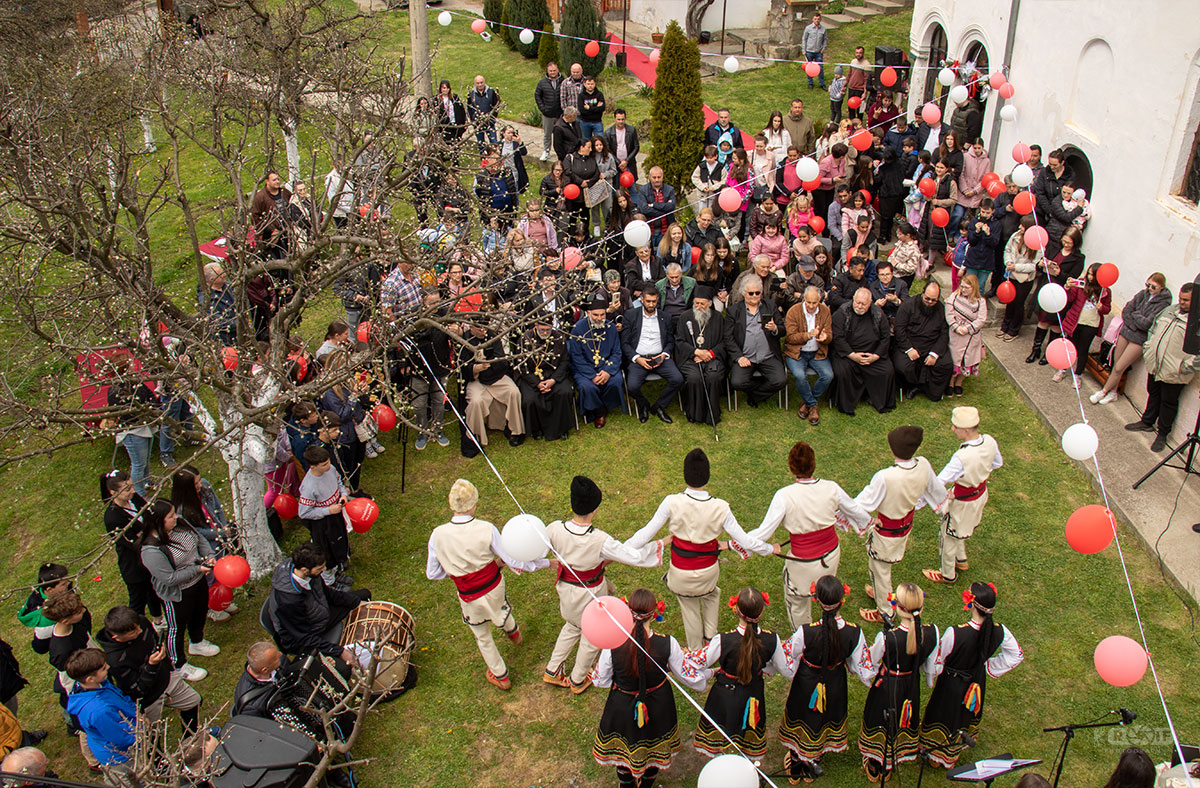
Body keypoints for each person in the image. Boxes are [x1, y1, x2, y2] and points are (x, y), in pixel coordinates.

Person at [624, 449, 776, 649]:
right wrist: (769, 549)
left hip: (680, 574)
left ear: (685, 475)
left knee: (690, 606)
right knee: (711, 592)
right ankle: (710, 640)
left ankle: (696, 650)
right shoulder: (721, 507)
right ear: (708, 475)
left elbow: (645, 533)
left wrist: (620, 550)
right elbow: (746, 540)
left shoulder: (671, 502)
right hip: (708, 573)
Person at [426, 480, 548, 690]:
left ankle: (500, 675)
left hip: (469, 595)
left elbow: (433, 573)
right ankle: (512, 630)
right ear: (474, 504)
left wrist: (458, 571)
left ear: (451, 505)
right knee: (500, 607)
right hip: (493, 587)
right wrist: (545, 563)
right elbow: (512, 559)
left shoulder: (437, 535)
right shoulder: (487, 529)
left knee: (482, 636)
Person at [543, 477, 661, 693]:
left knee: (572, 625)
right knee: (591, 634)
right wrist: (658, 546)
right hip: (590, 593)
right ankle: (578, 679)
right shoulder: (600, 539)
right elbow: (631, 556)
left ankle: (552, 670)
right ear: (595, 508)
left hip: (566, 590)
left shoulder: (554, 529)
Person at [592, 588, 709, 787]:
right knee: (654, 748)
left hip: (622, 704)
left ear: (628, 611)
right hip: (658, 704)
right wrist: (707, 676)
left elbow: (599, 680)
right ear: (654, 614)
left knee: (625, 747)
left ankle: (626, 785)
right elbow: (687, 676)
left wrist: (622, 680)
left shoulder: (614, 642)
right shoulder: (668, 643)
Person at [747, 442, 868, 628]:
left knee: (797, 603)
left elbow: (763, 532)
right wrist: (870, 521)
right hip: (830, 555)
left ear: (791, 467)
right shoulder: (831, 487)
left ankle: (803, 638)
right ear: (814, 464)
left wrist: (737, 542)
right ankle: (829, 626)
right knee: (826, 594)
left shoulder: (784, 495)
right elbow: (854, 509)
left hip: (803, 563)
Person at [918, 581, 1023, 768]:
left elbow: (938, 660)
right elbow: (1016, 655)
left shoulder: (955, 633)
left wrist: (930, 674)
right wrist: (988, 666)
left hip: (951, 683)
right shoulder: (999, 630)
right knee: (965, 713)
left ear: (972, 604)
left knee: (944, 713)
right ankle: (953, 753)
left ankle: (936, 754)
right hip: (976, 680)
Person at [779, 576, 873, 782]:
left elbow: (786, 655)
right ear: (842, 600)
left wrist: (793, 668)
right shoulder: (853, 632)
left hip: (806, 682)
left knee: (802, 715)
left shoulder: (806, 631)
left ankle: (796, 763)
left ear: (817, 600)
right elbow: (862, 666)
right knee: (824, 717)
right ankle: (815, 758)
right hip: (834, 682)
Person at [855, 426, 947, 624]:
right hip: (904, 525)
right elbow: (936, 490)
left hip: (886, 533)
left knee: (881, 570)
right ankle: (882, 593)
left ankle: (885, 611)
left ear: (893, 449)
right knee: (879, 568)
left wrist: (838, 512)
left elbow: (862, 504)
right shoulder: (923, 464)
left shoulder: (886, 476)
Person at [694, 587, 790, 760]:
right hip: (753, 694)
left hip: (725, 694)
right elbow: (784, 667)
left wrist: (709, 672)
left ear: (737, 610)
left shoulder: (723, 640)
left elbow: (699, 662)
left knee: (724, 727)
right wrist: (768, 669)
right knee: (747, 729)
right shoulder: (772, 640)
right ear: (761, 612)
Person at [858, 582, 939, 782]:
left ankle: (877, 763)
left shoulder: (888, 637)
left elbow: (870, 660)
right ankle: (892, 760)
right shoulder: (932, 633)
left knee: (880, 720)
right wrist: (928, 679)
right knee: (903, 720)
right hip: (911, 685)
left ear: (897, 607)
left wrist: (868, 677)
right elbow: (931, 668)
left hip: (888, 684)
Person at [918, 406, 1003, 586]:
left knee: (948, 536)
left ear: (966, 430)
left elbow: (938, 482)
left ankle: (947, 574)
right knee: (961, 529)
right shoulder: (989, 441)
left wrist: (918, 503)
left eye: (955, 426)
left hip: (963, 502)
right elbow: (997, 463)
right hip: (980, 494)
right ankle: (961, 559)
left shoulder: (962, 457)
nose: (953, 429)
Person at [138, 500, 218, 680]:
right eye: (171, 516)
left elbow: (199, 538)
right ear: (159, 521)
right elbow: (170, 578)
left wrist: (209, 555)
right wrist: (197, 569)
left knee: (199, 612)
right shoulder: (151, 550)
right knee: (177, 628)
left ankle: (197, 642)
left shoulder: (179, 523)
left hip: (198, 581)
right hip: (178, 593)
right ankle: (178, 664)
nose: (176, 517)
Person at [98, 605, 201, 729]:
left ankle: (191, 737)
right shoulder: (115, 660)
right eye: (134, 632)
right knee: (152, 733)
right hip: (148, 700)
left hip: (166, 678)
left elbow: (155, 640)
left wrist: (168, 666)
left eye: (138, 627)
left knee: (193, 702)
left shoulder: (140, 622)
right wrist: (152, 666)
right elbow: (137, 691)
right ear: (117, 637)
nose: (140, 631)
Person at [263, 543, 370, 662]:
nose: (324, 570)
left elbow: (328, 593)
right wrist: (339, 651)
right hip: (303, 636)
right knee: (342, 665)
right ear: (305, 570)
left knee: (364, 595)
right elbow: (303, 637)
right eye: (320, 568)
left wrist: (357, 602)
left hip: (318, 614)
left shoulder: (308, 572)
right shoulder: (289, 602)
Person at [1124, 283, 1197, 452]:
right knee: (1154, 392)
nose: (1182, 302)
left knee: (1168, 402)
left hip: (1175, 371)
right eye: (1181, 298)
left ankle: (1162, 434)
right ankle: (1147, 421)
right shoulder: (1170, 310)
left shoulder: (1196, 323)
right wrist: (1149, 348)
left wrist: (1185, 367)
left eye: (1186, 300)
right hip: (1156, 364)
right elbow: (1153, 329)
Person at [1092, 273, 1173, 405]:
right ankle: (1113, 393)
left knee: (1120, 367)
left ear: (1161, 288)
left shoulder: (1163, 304)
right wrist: (1136, 319)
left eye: (1153, 287)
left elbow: (1147, 324)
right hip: (1126, 332)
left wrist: (1135, 315)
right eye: (1148, 285)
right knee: (1116, 364)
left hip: (1138, 339)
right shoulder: (1143, 293)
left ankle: (1104, 391)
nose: (1149, 288)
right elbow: (1126, 310)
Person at [101, 472, 161, 623]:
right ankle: (131, 627)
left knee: (154, 591)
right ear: (113, 493)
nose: (133, 491)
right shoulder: (113, 517)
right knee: (138, 600)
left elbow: (149, 516)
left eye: (132, 486)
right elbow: (133, 543)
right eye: (127, 489)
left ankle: (158, 620)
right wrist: (147, 532)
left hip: (149, 556)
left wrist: (144, 532)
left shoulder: (133, 498)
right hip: (134, 566)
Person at [64, 649, 136, 769]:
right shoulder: (98, 710)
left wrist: (135, 712)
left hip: (128, 728)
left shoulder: (98, 684)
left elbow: (119, 696)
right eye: (103, 668)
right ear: (90, 679)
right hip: (121, 758)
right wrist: (141, 736)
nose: (108, 667)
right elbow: (121, 738)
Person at [831, 288, 896, 416]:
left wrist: (875, 356)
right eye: (857, 302)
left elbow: (885, 338)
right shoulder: (842, 313)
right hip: (848, 354)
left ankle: (879, 401)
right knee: (842, 372)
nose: (859, 306)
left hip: (872, 354)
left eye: (863, 304)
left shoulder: (878, 314)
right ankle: (846, 405)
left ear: (870, 303)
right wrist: (853, 356)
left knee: (887, 370)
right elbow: (838, 338)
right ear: (853, 300)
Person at [1027, 227, 1086, 366]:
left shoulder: (1079, 258)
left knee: (1055, 324)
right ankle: (1035, 350)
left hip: (1060, 293)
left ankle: (1049, 353)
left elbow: (1072, 278)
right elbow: (1039, 266)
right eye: (1064, 241)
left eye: (1069, 243)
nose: (1066, 244)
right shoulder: (1053, 249)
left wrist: (1059, 273)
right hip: (1046, 289)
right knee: (1042, 321)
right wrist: (1041, 264)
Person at [622, 289, 682, 424]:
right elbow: (625, 343)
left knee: (677, 379)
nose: (651, 304)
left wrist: (664, 355)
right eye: (648, 301)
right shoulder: (631, 315)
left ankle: (659, 406)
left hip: (660, 357)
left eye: (654, 301)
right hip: (639, 358)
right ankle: (643, 405)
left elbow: (670, 341)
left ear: (657, 301)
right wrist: (637, 358)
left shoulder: (665, 317)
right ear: (642, 300)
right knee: (632, 386)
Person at [724, 277, 787, 407]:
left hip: (768, 356)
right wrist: (739, 357)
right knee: (737, 382)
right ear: (744, 293)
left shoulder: (770, 306)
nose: (754, 296)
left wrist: (775, 328)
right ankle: (759, 389)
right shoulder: (733, 311)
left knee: (780, 380)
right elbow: (728, 337)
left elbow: (783, 330)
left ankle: (754, 396)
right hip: (745, 357)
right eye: (751, 293)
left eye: (757, 293)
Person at [461, 323, 526, 447]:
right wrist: (476, 368)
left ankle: (515, 430)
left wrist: (490, 364)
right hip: (476, 380)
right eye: (479, 328)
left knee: (513, 392)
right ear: (471, 328)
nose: (483, 331)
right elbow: (463, 367)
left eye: (484, 328)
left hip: (495, 377)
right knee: (476, 401)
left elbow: (502, 361)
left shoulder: (493, 337)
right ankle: (476, 435)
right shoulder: (464, 340)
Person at [297, 445, 350, 587]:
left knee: (339, 541)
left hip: (335, 516)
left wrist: (343, 494)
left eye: (328, 462)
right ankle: (329, 582)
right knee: (326, 552)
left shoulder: (330, 469)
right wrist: (328, 510)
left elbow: (339, 482)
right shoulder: (309, 487)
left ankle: (337, 570)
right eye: (324, 464)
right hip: (322, 523)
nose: (329, 465)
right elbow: (304, 513)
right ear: (313, 466)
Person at [569, 294, 625, 428]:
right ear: (588, 313)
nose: (599, 318)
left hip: (606, 366)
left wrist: (607, 371)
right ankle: (599, 412)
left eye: (602, 315)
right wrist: (592, 375)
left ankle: (601, 407)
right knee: (587, 386)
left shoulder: (611, 327)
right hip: (584, 369)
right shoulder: (577, 329)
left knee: (616, 381)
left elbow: (617, 352)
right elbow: (576, 357)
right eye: (595, 315)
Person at [891, 280, 952, 402]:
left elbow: (944, 334)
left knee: (946, 364)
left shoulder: (941, 309)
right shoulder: (908, 306)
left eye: (933, 300)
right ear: (922, 293)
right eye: (927, 299)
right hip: (910, 344)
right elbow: (899, 329)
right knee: (903, 366)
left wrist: (934, 354)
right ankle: (912, 385)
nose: (930, 302)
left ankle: (929, 388)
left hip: (932, 344)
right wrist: (909, 349)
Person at [675, 287, 727, 426]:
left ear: (710, 303)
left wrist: (710, 354)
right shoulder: (685, 317)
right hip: (691, 358)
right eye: (696, 303)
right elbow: (679, 341)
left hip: (712, 358)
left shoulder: (718, 318)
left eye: (702, 304)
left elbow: (724, 341)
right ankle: (694, 414)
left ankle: (712, 415)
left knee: (713, 377)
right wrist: (695, 352)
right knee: (694, 378)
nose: (698, 306)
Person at [516, 320, 575, 442]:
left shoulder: (559, 338)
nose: (544, 333)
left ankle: (561, 429)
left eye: (548, 330)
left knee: (565, 392)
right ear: (535, 325)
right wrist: (537, 383)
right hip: (531, 377)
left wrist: (553, 380)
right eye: (542, 330)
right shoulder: (525, 339)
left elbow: (564, 362)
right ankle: (536, 430)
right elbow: (521, 365)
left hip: (553, 376)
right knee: (529, 399)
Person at [784, 286, 834, 425]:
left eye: (814, 302)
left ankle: (807, 403)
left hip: (817, 353)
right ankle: (812, 405)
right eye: (808, 302)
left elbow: (830, 335)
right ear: (803, 299)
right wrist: (807, 335)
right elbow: (790, 338)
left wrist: (825, 338)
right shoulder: (793, 311)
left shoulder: (825, 311)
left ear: (820, 300)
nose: (811, 306)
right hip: (796, 353)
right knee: (799, 375)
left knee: (828, 375)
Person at [318, 351, 368, 488]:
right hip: (345, 436)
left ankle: (355, 489)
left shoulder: (347, 381)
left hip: (356, 431)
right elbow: (340, 416)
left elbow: (360, 404)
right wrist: (354, 396)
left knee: (358, 462)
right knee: (348, 467)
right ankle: (349, 491)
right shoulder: (329, 391)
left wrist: (362, 392)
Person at [1057, 262, 1112, 382]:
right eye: (1089, 274)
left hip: (1091, 324)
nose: (1090, 277)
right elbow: (1070, 298)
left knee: (1083, 350)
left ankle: (1078, 375)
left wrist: (1102, 307)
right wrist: (1067, 287)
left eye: (1093, 275)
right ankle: (1062, 369)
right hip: (1075, 321)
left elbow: (1107, 309)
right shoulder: (1081, 283)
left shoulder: (1105, 291)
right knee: (1070, 347)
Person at [997, 215, 1042, 341]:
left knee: (1018, 303)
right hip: (1012, 275)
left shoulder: (1038, 244)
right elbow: (1007, 250)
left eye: (1023, 225)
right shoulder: (1015, 236)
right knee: (1010, 301)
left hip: (1025, 279)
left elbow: (1034, 265)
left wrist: (1016, 267)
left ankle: (1014, 329)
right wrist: (1008, 262)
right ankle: (1005, 325)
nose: (1019, 227)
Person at [945, 274, 988, 397]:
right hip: (956, 335)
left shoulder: (981, 302)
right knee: (954, 359)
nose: (963, 289)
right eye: (962, 286)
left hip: (971, 337)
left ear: (973, 288)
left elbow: (981, 319)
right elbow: (949, 314)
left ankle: (959, 383)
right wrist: (956, 327)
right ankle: (951, 383)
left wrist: (968, 329)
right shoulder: (954, 297)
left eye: (966, 288)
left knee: (967, 360)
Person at [921, 160, 959, 276]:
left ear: (946, 169)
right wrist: (927, 197)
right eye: (937, 167)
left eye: (941, 167)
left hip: (941, 214)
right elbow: (925, 191)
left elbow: (953, 199)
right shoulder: (932, 178)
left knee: (935, 237)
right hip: (929, 210)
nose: (938, 169)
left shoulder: (951, 182)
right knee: (926, 233)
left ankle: (930, 263)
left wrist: (938, 202)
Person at [231, 642, 282, 719]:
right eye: (276, 658)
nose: (280, 654)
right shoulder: (251, 708)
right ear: (265, 670)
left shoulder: (280, 661)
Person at [633, 167, 678, 250]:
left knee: (664, 252)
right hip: (649, 230)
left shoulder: (670, 190)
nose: (657, 180)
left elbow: (671, 206)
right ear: (650, 177)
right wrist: (664, 211)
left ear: (662, 177)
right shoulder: (643, 190)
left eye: (659, 177)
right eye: (654, 177)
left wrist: (653, 205)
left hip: (665, 230)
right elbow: (644, 209)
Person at [250, 170, 291, 260]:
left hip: (288, 231)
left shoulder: (285, 192)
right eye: (274, 180)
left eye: (278, 179)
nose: (277, 182)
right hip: (271, 235)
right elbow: (255, 217)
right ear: (267, 181)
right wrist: (271, 230)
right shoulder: (260, 197)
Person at [963, 197, 1000, 294]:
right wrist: (977, 232)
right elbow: (971, 241)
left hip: (986, 262)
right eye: (983, 212)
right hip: (973, 260)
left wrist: (988, 234)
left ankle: (977, 303)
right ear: (980, 209)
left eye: (988, 213)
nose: (985, 215)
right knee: (968, 285)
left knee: (980, 287)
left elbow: (995, 243)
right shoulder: (974, 221)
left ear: (993, 212)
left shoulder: (996, 224)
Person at [534, 62, 564, 161]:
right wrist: (543, 109)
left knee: (560, 134)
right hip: (548, 114)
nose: (553, 72)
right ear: (547, 71)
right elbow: (537, 96)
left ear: (558, 70)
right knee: (547, 134)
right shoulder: (542, 83)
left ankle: (561, 153)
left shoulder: (563, 81)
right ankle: (546, 151)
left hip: (560, 114)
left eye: (554, 70)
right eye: (550, 71)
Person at [465, 75, 501, 150]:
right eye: (478, 83)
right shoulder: (471, 94)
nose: (480, 85)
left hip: (490, 123)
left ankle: (495, 155)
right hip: (478, 123)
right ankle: (483, 156)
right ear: (475, 84)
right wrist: (473, 120)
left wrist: (492, 118)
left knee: (494, 142)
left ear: (484, 82)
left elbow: (496, 106)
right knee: (481, 143)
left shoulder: (491, 92)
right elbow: (469, 108)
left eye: (481, 82)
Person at [605, 108, 640, 182]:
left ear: (625, 119)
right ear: (614, 119)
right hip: (615, 164)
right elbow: (608, 150)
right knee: (616, 186)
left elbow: (636, 147)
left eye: (622, 119)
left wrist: (626, 161)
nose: (621, 121)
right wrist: (618, 162)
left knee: (632, 186)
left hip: (629, 163)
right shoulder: (608, 133)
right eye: (618, 119)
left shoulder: (631, 130)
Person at [689, 146, 725, 212]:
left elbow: (725, 180)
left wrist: (715, 187)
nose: (709, 160)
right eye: (707, 158)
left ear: (716, 156)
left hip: (714, 196)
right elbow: (694, 177)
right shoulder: (701, 166)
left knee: (712, 212)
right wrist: (702, 187)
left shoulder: (721, 167)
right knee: (702, 212)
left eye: (711, 158)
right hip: (703, 197)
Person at [845, 46, 872, 121]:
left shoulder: (867, 65)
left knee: (860, 111)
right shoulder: (853, 62)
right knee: (851, 109)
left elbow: (867, 80)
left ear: (863, 53)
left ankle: (859, 123)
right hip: (851, 88)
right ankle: (851, 123)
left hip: (860, 90)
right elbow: (849, 74)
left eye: (860, 53)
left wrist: (865, 92)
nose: (858, 54)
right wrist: (844, 85)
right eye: (857, 52)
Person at [801, 14, 827, 87]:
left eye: (818, 19)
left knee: (820, 68)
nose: (817, 20)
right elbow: (804, 39)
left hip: (818, 52)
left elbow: (825, 39)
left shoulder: (823, 29)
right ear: (813, 19)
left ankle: (822, 83)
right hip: (809, 51)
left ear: (820, 20)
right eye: (815, 19)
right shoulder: (808, 28)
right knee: (809, 68)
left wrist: (823, 48)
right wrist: (804, 50)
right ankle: (810, 83)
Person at [576, 75, 606, 140]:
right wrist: (596, 108)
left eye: (592, 84)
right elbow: (582, 110)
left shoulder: (599, 94)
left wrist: (589, 108)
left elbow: (602, 108)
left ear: (595, 84)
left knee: (600, 140)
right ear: (585, 84)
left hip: (597, 122)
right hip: (585, 122)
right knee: (586, 141)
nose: (590, 86)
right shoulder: (581, 96)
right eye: (588, 84)